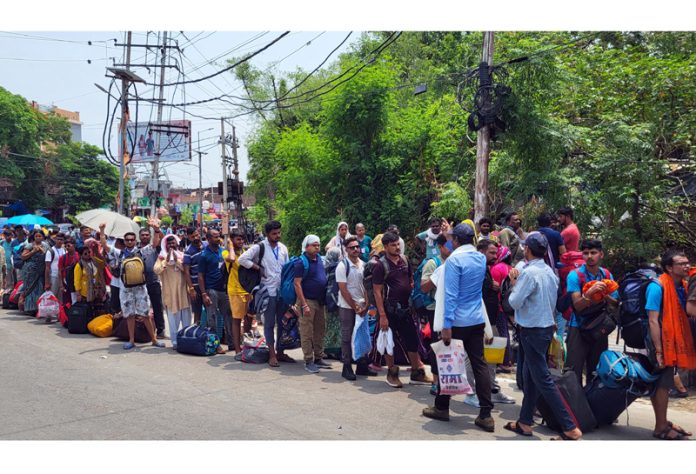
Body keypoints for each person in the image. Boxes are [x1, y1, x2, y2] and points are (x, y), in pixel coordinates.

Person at [505, 232, 583, 440]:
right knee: (531, 378)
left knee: (542, 379)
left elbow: (514, 302)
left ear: (528, 250)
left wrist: (514, 283)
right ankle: (525, 422)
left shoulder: (529, 274)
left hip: (532, 330)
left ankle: (569, 426)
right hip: (544, 328)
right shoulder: (549, 271)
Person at [421, 224, 494, 432]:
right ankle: (486, 414)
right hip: (476, 319)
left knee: (447, 363)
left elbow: (451, 295)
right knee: (479, 364)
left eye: (452, 237)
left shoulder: (454, 260)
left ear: (456, 240)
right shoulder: (480, 258)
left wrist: (446, 325)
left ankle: (442, 408)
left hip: (457, 321)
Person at [645, 250, 696, 440]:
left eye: (687, 262)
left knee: (663, 382)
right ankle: (660, 427)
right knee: (663, 383)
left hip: (671, 341)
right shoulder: (657, 287)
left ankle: (663, 422)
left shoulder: (681, 286)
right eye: (681, 263)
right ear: (669, 267)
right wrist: (658, 349)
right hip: (658, 341)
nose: (686, 266)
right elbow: (652, 320)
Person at [373, 232, 432, 388]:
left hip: (405, 309)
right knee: (389, 342)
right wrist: (382, 315)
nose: (397, 247)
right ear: (385, 247)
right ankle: (392, 374)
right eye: (393, 245)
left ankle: (417, 373)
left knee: (412, 340)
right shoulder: (381, 265)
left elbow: (410, 280)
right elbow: (377, 291)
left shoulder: (404, 260)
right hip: (389, 310)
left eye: (398, 244)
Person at [238, 220, 293, 367]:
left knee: (282, 323)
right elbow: (242, 259)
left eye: (278, 233)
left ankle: (280, 352)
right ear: (267, 234)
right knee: (269, 324)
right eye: (274, 233)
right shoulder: (260, 247)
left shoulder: (283, 248)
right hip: (267, 291)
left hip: (281, 292)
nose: (277, 236)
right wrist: (257, 267)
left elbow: (287, 267)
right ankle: (272, 354)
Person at [565, 239, 619, 386]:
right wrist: (589, 294)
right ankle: (573, 406)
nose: (589, 256)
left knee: (596, 371)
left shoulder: (607, 275)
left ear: (601, 254)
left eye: (593, 253)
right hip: (578, 326)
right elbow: (577, 306)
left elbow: (615, 304)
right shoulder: (574, 276)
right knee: (572, 371)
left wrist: (604, 295)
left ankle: (592, 405)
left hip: (599, 327)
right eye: (586, 253)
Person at [101, 228, 164, 350]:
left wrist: (156, 230)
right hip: (125, 288)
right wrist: (102, 231)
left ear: (135, 241)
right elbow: (104, 245)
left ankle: (154, 339)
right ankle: (131, 340)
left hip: (140, 288)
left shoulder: (141, 252)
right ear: (124, 241)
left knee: (145, 314)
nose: (129, 242)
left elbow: (155, 244)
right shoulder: (119, 253)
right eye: (127, 240)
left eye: (132, 240)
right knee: (129, 315)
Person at [336, 236, 375, 380]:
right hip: (347, 306)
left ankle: (362, 366)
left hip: (362, 305)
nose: (355, 250)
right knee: (347, 337)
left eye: (357, 247)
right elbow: (343, 289)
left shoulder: (363, 265)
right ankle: (346, 367)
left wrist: (366, 304)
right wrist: (355, 306)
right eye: (352, 247)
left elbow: (367, 286)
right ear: (346, 250)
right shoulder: (342, 266)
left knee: (363, 335)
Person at [418, 234, 451, 394]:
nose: (451, 249)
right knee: (437, 344)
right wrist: (438, 276)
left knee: (450, 345)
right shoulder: (433, 263)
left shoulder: (455, 261)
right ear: (440, 247)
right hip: (435, 309)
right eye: (448, 246)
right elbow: (423, 287)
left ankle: (449, 380)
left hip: (451, 310)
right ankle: (436, 381)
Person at [294, 235, 330, 373]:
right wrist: (303, 304)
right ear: (306, 246)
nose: (317, 247)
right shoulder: (300, 262)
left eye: (318, 245)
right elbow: (297, 284)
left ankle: (319, 357)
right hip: (307, 301)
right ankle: (308, 360)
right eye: (314, 245)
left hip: (320, 301)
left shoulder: (320, 259)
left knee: (320, 329)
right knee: (306, 331)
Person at [154, 235, 192, 350]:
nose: (171, 245)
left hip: (183, 292)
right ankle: (175, 342)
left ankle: (186, 340)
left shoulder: (183, 256)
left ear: (177, 244)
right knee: (172, 319)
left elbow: (186, 271)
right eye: (169, 244)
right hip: (170, 293)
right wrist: (166, 261)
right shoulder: (161, 257)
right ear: (166, 245)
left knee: (186, 318)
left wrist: (176, 261)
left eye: (173, 243)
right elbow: (156, 270)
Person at [197, 229, 232, 355]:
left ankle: (231, 342)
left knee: (228, 315)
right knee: (212, 319)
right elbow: (200, 276)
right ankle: (215, 345)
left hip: (224, 289)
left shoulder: (223, 251)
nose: (218, 239)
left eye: (219, 236)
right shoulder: (204, 255)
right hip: (211, 290)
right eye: (215, 237)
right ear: (208, 239)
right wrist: (204, 294)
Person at [222, 230, 252, 354]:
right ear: (232, 240)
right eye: (237, 239)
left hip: (247, 290)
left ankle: (246, 345)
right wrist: (229, 246)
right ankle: (237, 349)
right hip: (235, 290)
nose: (240, 242)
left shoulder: (245, 253)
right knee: (237, 319)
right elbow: (232, 258)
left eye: (242, 239)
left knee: (249, 318)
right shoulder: (225, 253)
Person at [490, 245, 514, 372]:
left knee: (499, 334)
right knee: (505, 333)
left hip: (498, 305)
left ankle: (503, 361)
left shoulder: (497, 268)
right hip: (507, 305)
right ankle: (506, 360)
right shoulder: (510, 268)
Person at [139, 225, 165, 338]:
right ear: (139, 237)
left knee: (157, 306)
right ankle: (144, 330)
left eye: (146, 235)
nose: (145, 236)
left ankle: (160, 330)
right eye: (142, 235)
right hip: (140, 283)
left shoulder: (153, 247)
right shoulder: (136, 249)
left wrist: (157, 230)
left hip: (154, 281)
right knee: (142, 307)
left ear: (150, 236)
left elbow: (161, 241)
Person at [19, 230, 51, 315]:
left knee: (39, 288)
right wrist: (33, 251)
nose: (38, 238)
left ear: (43, 237)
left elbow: (50, 255)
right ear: (33, 237)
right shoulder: (30, 245)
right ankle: (30, 308)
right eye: (36, 236)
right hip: (30, 271)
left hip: (41, 270)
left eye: (40, 236)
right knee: (30, 289)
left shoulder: (46, 246)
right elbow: (23, 257)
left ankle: (38, 308)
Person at [183, 227, 206, 324]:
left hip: (208, 283)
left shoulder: (206, 245)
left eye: (197, 235)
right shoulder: (188, 251)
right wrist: (191, 289)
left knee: (211, 310)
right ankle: (196, 334)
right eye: (193, 237)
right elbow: (186, 271)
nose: (196, 238)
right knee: (197, 312)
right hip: (196, 286)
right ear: (189, 238)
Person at [44, 232, 66, 304]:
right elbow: (47, 267)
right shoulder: (50, 251)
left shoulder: (64, 250)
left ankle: (58, 313)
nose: (59, 241)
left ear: (63, 241)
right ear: (55, 240)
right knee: (52, 295)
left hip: (62, 277)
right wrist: (47, 282)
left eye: (61, 240)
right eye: (58, 239)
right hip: (53, 276)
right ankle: (49, 311)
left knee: (61, 297)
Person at [58, 237, 80, 304]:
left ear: (74, 245)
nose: (67, 248)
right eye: (65, 246)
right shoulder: (62, 258)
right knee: (67, 300)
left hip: (78, 281)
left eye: (69, 246)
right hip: (66, 282)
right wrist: (61, 285)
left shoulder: (79, 255)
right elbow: (59, 272)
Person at [2, 228, 14, 294]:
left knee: (13, 280)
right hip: (4, 264)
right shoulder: (2, 243)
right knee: (6, 279)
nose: (7, 237)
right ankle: (7, 293)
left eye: (9, 235)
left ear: (11, 235)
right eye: (6, 235)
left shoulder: (14, 242)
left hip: (12, 264)